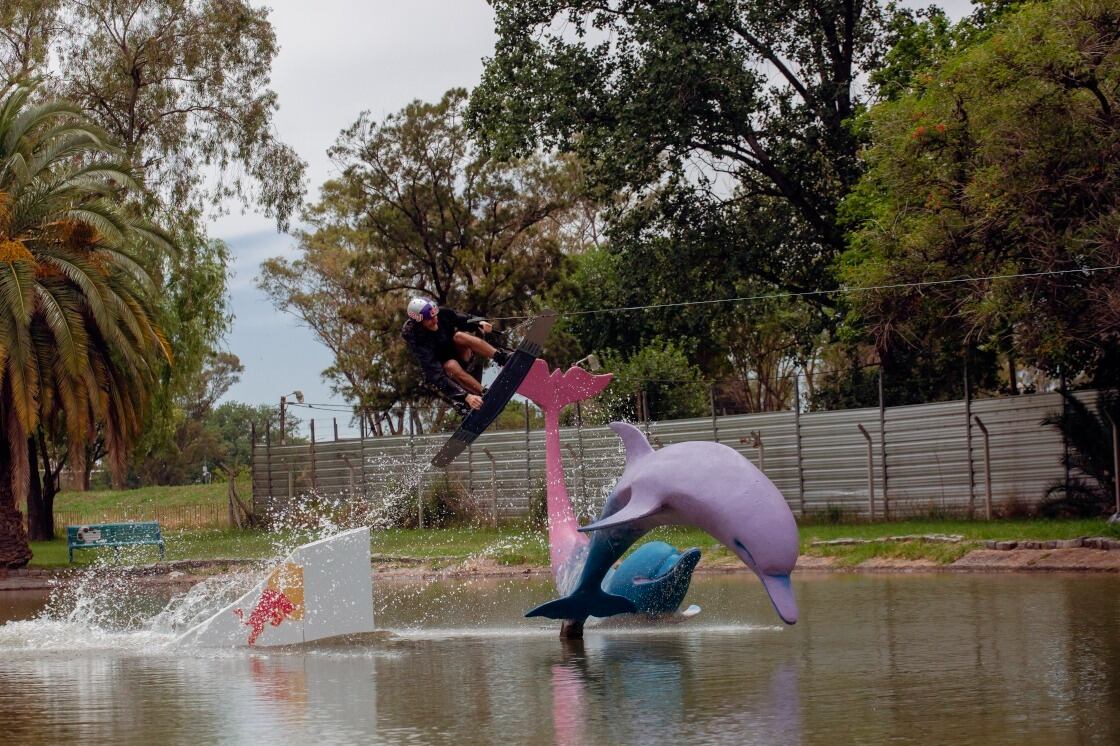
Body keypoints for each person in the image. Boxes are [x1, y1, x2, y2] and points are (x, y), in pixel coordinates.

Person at [401, 297, 512, 415]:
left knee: (459, 336)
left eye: (435, 315)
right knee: (450, 365)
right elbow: (435, 376)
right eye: (429, 319)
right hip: (450, 372)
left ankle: (501, 357)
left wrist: (480, 322)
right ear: (419, 322)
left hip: (463, 355)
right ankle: (483, 394)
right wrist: (465, 397)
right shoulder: (417, 339)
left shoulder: (442, 313)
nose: (435, 320)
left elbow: (465, 318)